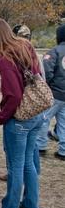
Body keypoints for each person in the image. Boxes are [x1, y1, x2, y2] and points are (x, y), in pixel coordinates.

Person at [0, 18, 43, 208]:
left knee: (16, 165)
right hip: (36, 113)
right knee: (28, 163)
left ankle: (9, 207)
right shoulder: (25, 46)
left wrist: (1, 117)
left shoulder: (6, 59)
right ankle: (31, 203)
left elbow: (14, 95)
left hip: (19, 119)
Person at [0, 23, 43, 181]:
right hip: (36, 109)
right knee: (29, 159)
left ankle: (11, 203)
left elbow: (15, 94)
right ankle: (31, 196)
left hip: (21, 113)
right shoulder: (32, 53)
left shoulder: (10, 57)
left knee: (17, 162)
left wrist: (2, 116)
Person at [36, 24, 65, 161]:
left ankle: (41, 146)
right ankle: (63, 151)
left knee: (44, 119)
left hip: (54, 94)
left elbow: (46, 72)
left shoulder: (54, 52)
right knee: (64, 123)